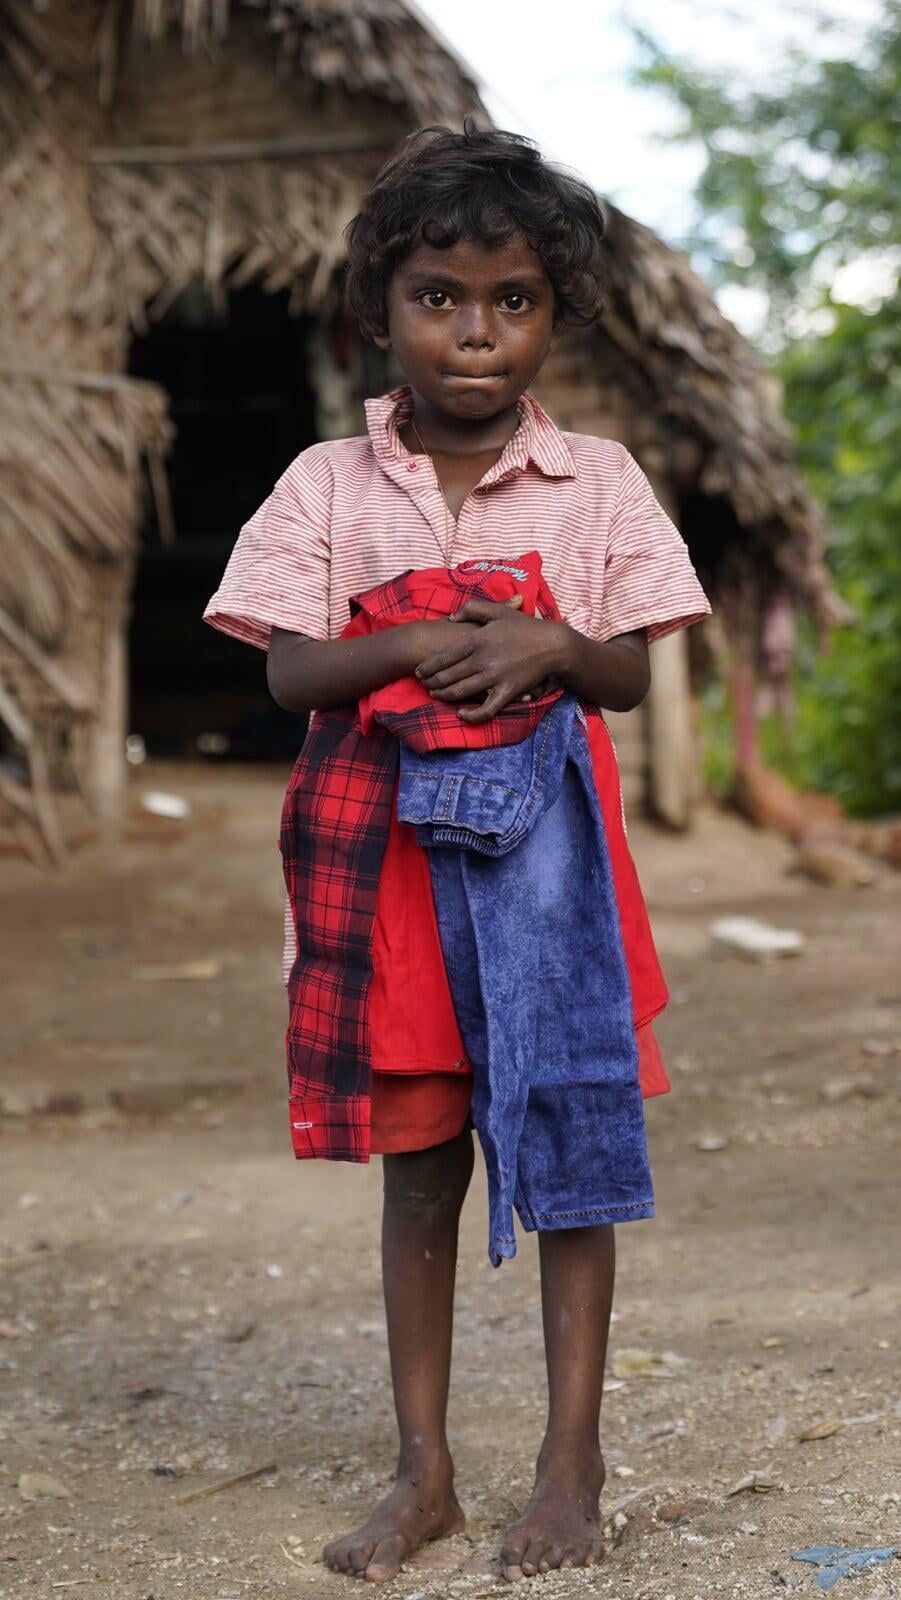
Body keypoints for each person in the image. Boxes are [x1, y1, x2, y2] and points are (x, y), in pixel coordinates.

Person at [204, 122, 710, 1584]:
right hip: (393, 891)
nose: (474, 334)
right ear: (380, 308)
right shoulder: (324, 486)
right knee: (418, 1166)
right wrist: (420, 635)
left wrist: (555, 640)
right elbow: (292, 679)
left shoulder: (596, 483)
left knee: (566, 1152)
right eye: (438, 296)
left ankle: (569, 1467)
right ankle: (421, 1472)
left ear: (557, 315)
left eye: (511, 302)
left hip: (549, 881)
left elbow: (620, 676)